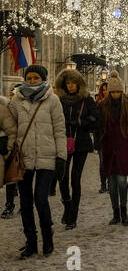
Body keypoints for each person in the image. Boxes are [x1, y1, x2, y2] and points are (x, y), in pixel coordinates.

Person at [9, 64, 67, 258]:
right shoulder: (16, 101)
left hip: (46, 156)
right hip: (24, 158)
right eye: (30, 77)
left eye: (36, 78)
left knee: (40, 199)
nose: (33, 81)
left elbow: (59, 130)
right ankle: (31, 241)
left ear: (43, 78)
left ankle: (47, 237)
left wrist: (61, 157)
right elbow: (9, 127)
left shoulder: (53, 100)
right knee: (25, 202)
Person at [54, 69, 100, 230]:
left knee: (75, 178)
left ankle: (73, 214)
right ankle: (67, 205)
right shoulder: (58, 100)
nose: (71, 86)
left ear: (79, 84)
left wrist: (79, 123)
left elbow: (96, 119)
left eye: (73, 83)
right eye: (68, 83)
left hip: (81, 143)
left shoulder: (86, 100)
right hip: (62, 142)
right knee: (62, 177)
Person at [98, 70, 128, 225]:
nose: (116, 95)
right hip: (108, 145)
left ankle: (124, 209)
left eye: (118, 92)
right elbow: (98, 126)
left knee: (121, 179)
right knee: (111, 181)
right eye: (113, 92)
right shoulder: (103, 105)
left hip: (124, 145)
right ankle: (115, 212)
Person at [0, 95, 17, 218]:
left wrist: (8, 148)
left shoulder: (4, 106)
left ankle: (10, 205)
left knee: (12, 178)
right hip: (5, 147)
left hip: (8, 149)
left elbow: (11, 130)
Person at [94, 82, 109, 193]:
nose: (104, 92)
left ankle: (111, 184)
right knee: (103, 163)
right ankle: (103, 184)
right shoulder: (98, 104)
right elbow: (96, 124)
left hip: (113, 138)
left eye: (106, 89)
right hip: (101, 138)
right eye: (103, 90)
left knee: (112, 163)